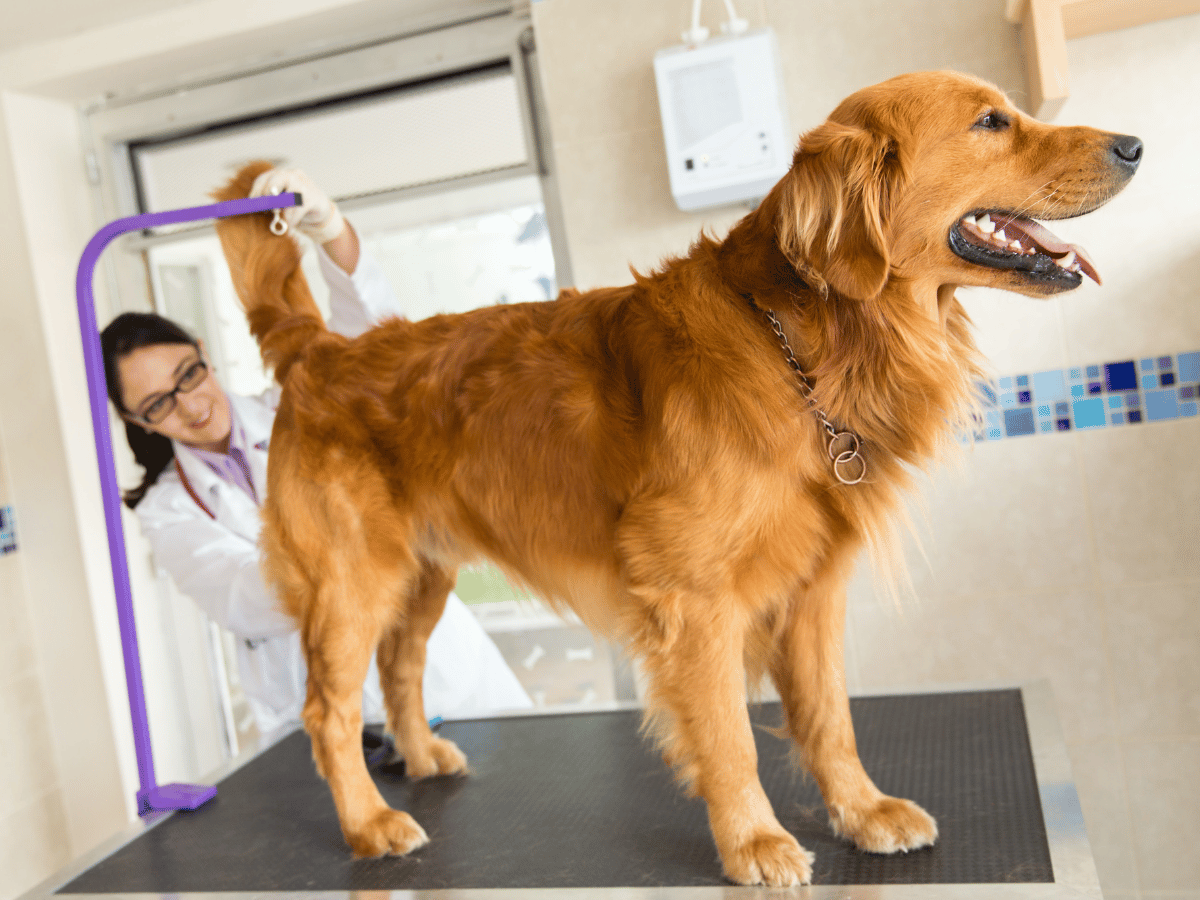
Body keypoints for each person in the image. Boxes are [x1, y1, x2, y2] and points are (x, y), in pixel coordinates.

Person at [101, 168, 531, 740]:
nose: (191, 405)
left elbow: (374, 351)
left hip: (450, 686)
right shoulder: (168, 509)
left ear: (204, 353)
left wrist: (332, 233)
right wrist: (353, 537)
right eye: (157, 404)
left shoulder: (298, 404)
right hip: (324, 720)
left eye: (189, 375)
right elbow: (241, 601)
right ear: (135, 420)